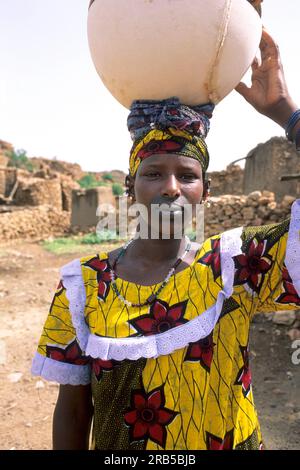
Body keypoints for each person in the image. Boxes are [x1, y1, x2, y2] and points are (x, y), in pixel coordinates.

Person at [32, 29, 300, 450]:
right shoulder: (83, 287)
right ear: (129, 186)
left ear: (205, 191)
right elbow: (73, 412)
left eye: (188, 175)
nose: (171, 187)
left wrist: (288, 113)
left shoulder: (236, 265)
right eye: (153, 172)